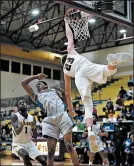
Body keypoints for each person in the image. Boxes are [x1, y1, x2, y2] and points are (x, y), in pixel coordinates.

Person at [61, 18, 132, 152]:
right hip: (86, 66)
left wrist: (70, 110)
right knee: (106, 71)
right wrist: (66, 22)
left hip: (78, 76)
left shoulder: (65, 70)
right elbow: (69, 35)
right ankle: (113, 62)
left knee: (88, 106)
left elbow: (68, 93)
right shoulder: (71, 52)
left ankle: (90, 131)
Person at [21, 74, 80, 166]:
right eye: (37, 86)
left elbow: (65, 103)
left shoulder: (55, 91)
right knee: (51, 151)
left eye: (40, 84)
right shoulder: (37, 97)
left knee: (69, 146)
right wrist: (36, 77)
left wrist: (63, 93)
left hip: (62, 116)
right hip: (49, 120)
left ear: (46, 86)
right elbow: (23, 83)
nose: (38, 86)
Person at [11, 100, 46, 166]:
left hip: (29, 143)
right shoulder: (14, 116)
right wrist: (22, 126)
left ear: (26, 105)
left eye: (24, 102)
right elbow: (17, 132)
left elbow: (35, 136)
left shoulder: (32, 118)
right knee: (25, 155)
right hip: (18, 144)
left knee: (43, 161)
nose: (22, 104)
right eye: (20, 103)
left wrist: (34, 128)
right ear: (18, 107)